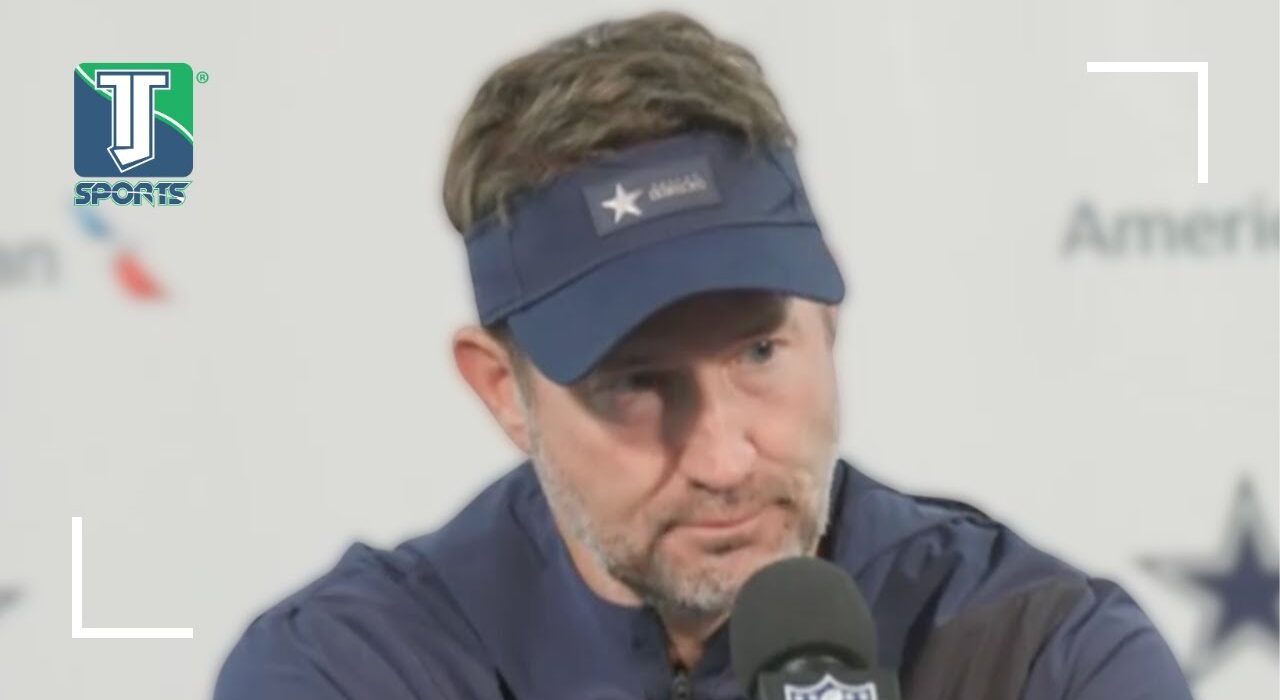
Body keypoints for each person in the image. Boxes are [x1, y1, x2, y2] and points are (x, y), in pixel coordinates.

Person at [214, 12, 1193, 699]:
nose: (724, 458)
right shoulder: (355, 671)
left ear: (826, 319)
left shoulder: (1039, 656)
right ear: (503, 390)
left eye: (760, 350)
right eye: (636, 385)